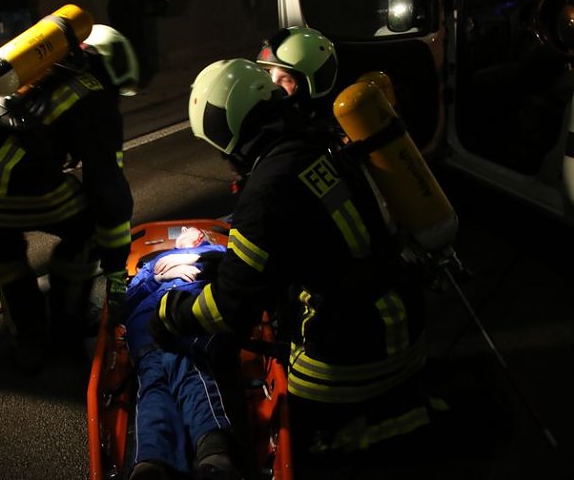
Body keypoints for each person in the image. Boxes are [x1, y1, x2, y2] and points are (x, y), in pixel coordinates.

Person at [150, 35, 444, 464]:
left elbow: (229, 310)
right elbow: (299, 245)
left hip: (346, 354)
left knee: (284, 433)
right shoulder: (318, 142)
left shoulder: (266, 187)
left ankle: (334, 443)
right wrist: (222, 263)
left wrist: (171, 313)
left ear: (224, 129)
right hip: (405, 326)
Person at [0, 23, 138, 373]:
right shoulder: (91, 93)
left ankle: (28, 336)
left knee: (5, 253)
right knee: (86, 228)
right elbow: (108, 189)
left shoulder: (37, 71)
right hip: (7, 183)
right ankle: (68, 318)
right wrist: (115, 264)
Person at [122, 226, 241, 480]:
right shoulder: (152, 267)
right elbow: (126, 302)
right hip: (148, 333)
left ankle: (197, 453)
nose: (183, 229)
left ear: (199, 237)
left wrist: (189, 259)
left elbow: (229, 269)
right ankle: (158, 462)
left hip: (186, 324)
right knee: (155, 386)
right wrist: (156, 277)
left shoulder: (213, 250)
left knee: (182, 372)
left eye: (189, 229)